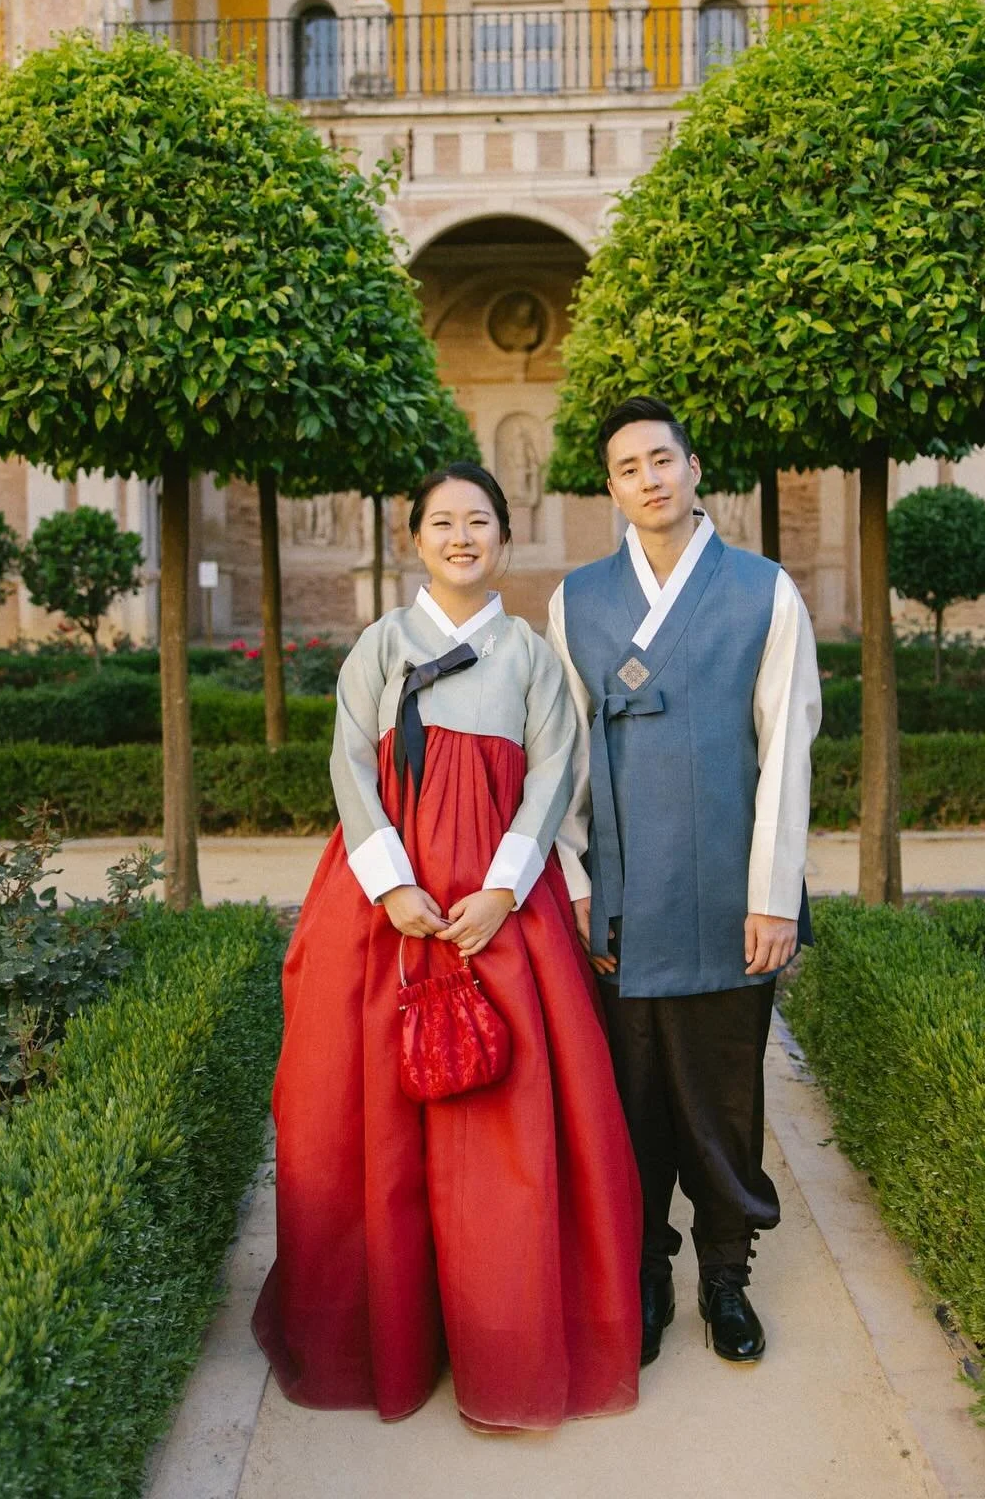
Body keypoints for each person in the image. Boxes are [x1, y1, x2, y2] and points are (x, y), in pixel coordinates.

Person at [253, 462, 641, 1432]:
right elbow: (349, 765)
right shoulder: (380, 646)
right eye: (442, 523)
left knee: (504, 1131)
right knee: (365, 1129)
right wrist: (392, 885)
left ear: (505, 537)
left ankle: (502, 1345)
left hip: (498, 915)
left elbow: (554, 776)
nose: (462, 537)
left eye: (479, 522)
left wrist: (504, 889)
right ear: (414, 540)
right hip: (384, 913)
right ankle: (391, 1338)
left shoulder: (530, 658)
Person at [545, 398, 821, 1368]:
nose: (649, 479)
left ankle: (726, 1275)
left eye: (662, 460)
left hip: (729, 901)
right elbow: (563, 757)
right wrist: (574, 880)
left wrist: (774, 895)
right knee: (632, 1104)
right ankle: (645, 1272)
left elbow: (787, 748)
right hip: (622, 900)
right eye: (628, 468)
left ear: (694, 468)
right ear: (611, 488)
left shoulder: (762, 592)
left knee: (724, 1098)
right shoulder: (578, 600)